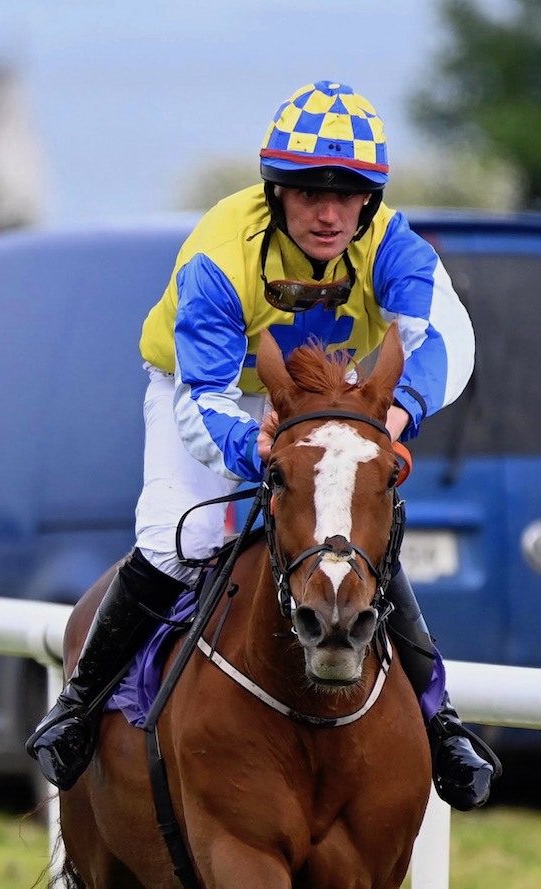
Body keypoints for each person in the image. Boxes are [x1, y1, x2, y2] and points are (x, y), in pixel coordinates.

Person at [26, 80, 501, 811]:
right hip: (207, 392)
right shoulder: (220, 255)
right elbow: (206, 402)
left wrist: (397, 415)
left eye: (348, 194)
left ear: (370, 202)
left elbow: (443, 336)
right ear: (277, 192)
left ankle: (441, 722)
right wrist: (261, 454)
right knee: (176, 538)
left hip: (328, 399)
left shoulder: (391, 245)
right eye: (310, 192)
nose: (329, 212)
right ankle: (80, 704)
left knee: (355, 542)